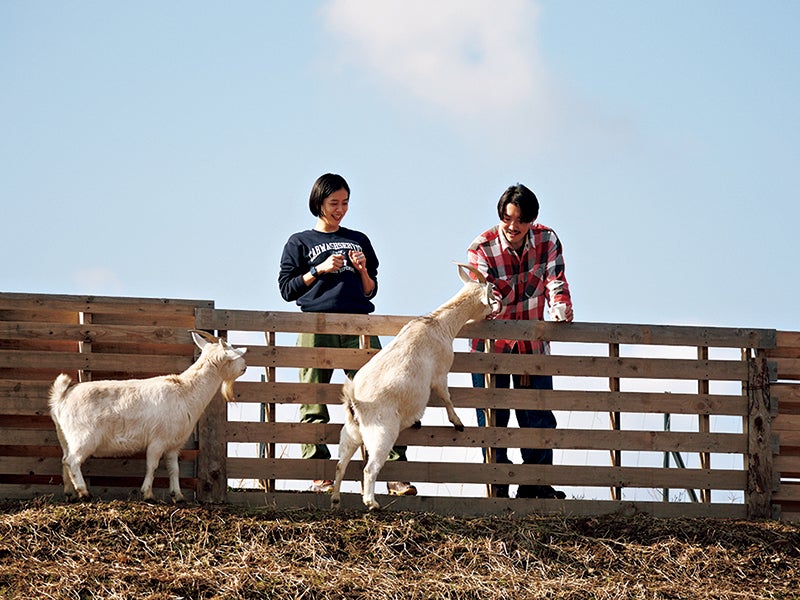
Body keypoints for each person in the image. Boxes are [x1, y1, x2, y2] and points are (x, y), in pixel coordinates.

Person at [278, 173, 416, 497]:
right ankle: (319, 474)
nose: (340, 209)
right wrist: (319, 270)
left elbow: (370, 291)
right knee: (313, 398)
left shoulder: (359, 239)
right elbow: (287, 289)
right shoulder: (299, 242)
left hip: (359, 325)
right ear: (318, 203)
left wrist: (362, 270)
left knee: (381, 395)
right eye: (333, 203)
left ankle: (394, 474)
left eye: (344, 202)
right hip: (316, 325)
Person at [467, 183, 573, 499]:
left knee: (538, 419)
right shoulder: (481, 247)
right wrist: (503, 300)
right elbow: (484, 294)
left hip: (532, 346)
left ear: (532, 220)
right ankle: (497, 485)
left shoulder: (548, 240)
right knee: (493, 420)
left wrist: (560, 306)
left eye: (520, 221)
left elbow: (556, 279)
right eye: (507, 219)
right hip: (490, 348)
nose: (513, 227)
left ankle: (536, 485)